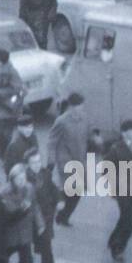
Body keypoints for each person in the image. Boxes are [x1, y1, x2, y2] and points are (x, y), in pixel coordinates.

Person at [106, 119, 132, 263]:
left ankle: (113, 239)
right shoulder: (116, 149)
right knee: (130, 221)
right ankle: (118, 248)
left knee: (125, 217)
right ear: (124, 133)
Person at [49, 93, 88, 226]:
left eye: (82, 106)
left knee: (78, 191)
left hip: (80, 160)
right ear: (71, 107)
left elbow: (89, 133)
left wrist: (96, 141)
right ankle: (60, 213)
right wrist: (51, 161)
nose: (82, 108)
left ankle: (63, 215)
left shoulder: (84, 118)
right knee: (68, 189)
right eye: (79, 106)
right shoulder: (61, 121)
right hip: (65, 161)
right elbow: (52, 142)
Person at [0, 48, 26, 162]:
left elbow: (20, 89)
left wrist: (0, 92)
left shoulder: (10, 72)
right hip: (0, 106)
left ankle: (8, 157)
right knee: (0, 135)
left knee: (3, 135)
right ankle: (4, 157)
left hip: (8, 108)